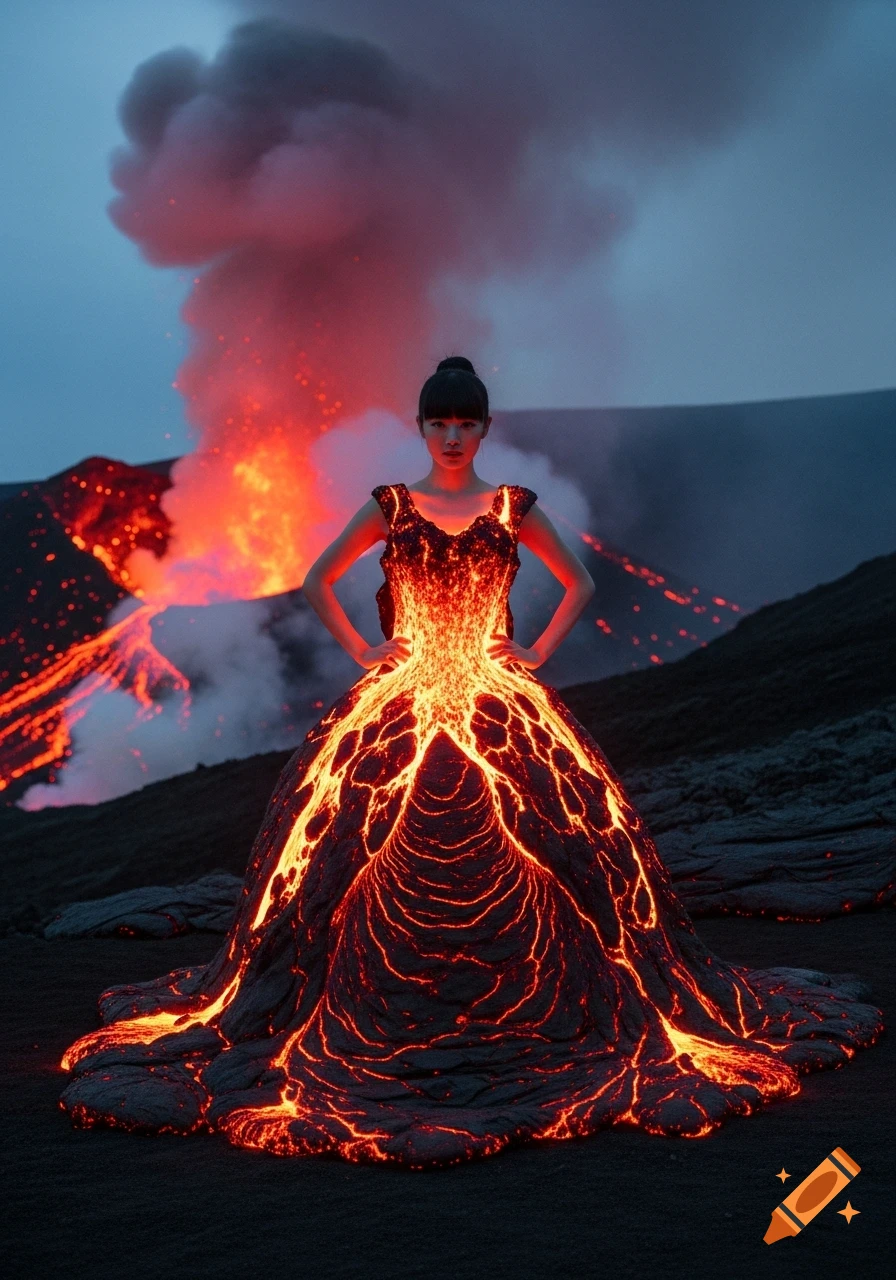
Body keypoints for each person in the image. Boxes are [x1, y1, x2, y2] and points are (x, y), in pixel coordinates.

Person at [59, 357, 883, 1169]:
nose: (452, 436)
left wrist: (531, 651)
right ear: (422, 427)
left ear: (484, 428)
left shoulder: (510, 506)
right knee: (334, 853)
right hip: (404, 689)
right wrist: (368, 650)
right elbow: (317, 581)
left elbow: (580, 583)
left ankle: (574, 1011)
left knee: (570, 847)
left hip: (496, 696)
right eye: (439, 423)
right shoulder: (392, 505)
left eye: (466, 423)